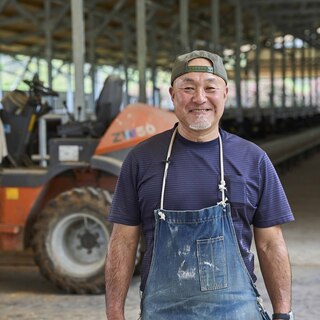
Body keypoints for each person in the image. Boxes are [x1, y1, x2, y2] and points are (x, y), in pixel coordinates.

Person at [105, 50, 294, 320]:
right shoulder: (141, 159)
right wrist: (114, 314)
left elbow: (270, 244)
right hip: (163, 313)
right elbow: (123, 241)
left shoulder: (253, 160)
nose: (200, 98)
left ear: (225, 93)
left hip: (236, 312)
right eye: (188, 88)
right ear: (172, 95)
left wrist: (283, 314)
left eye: (210, 87)